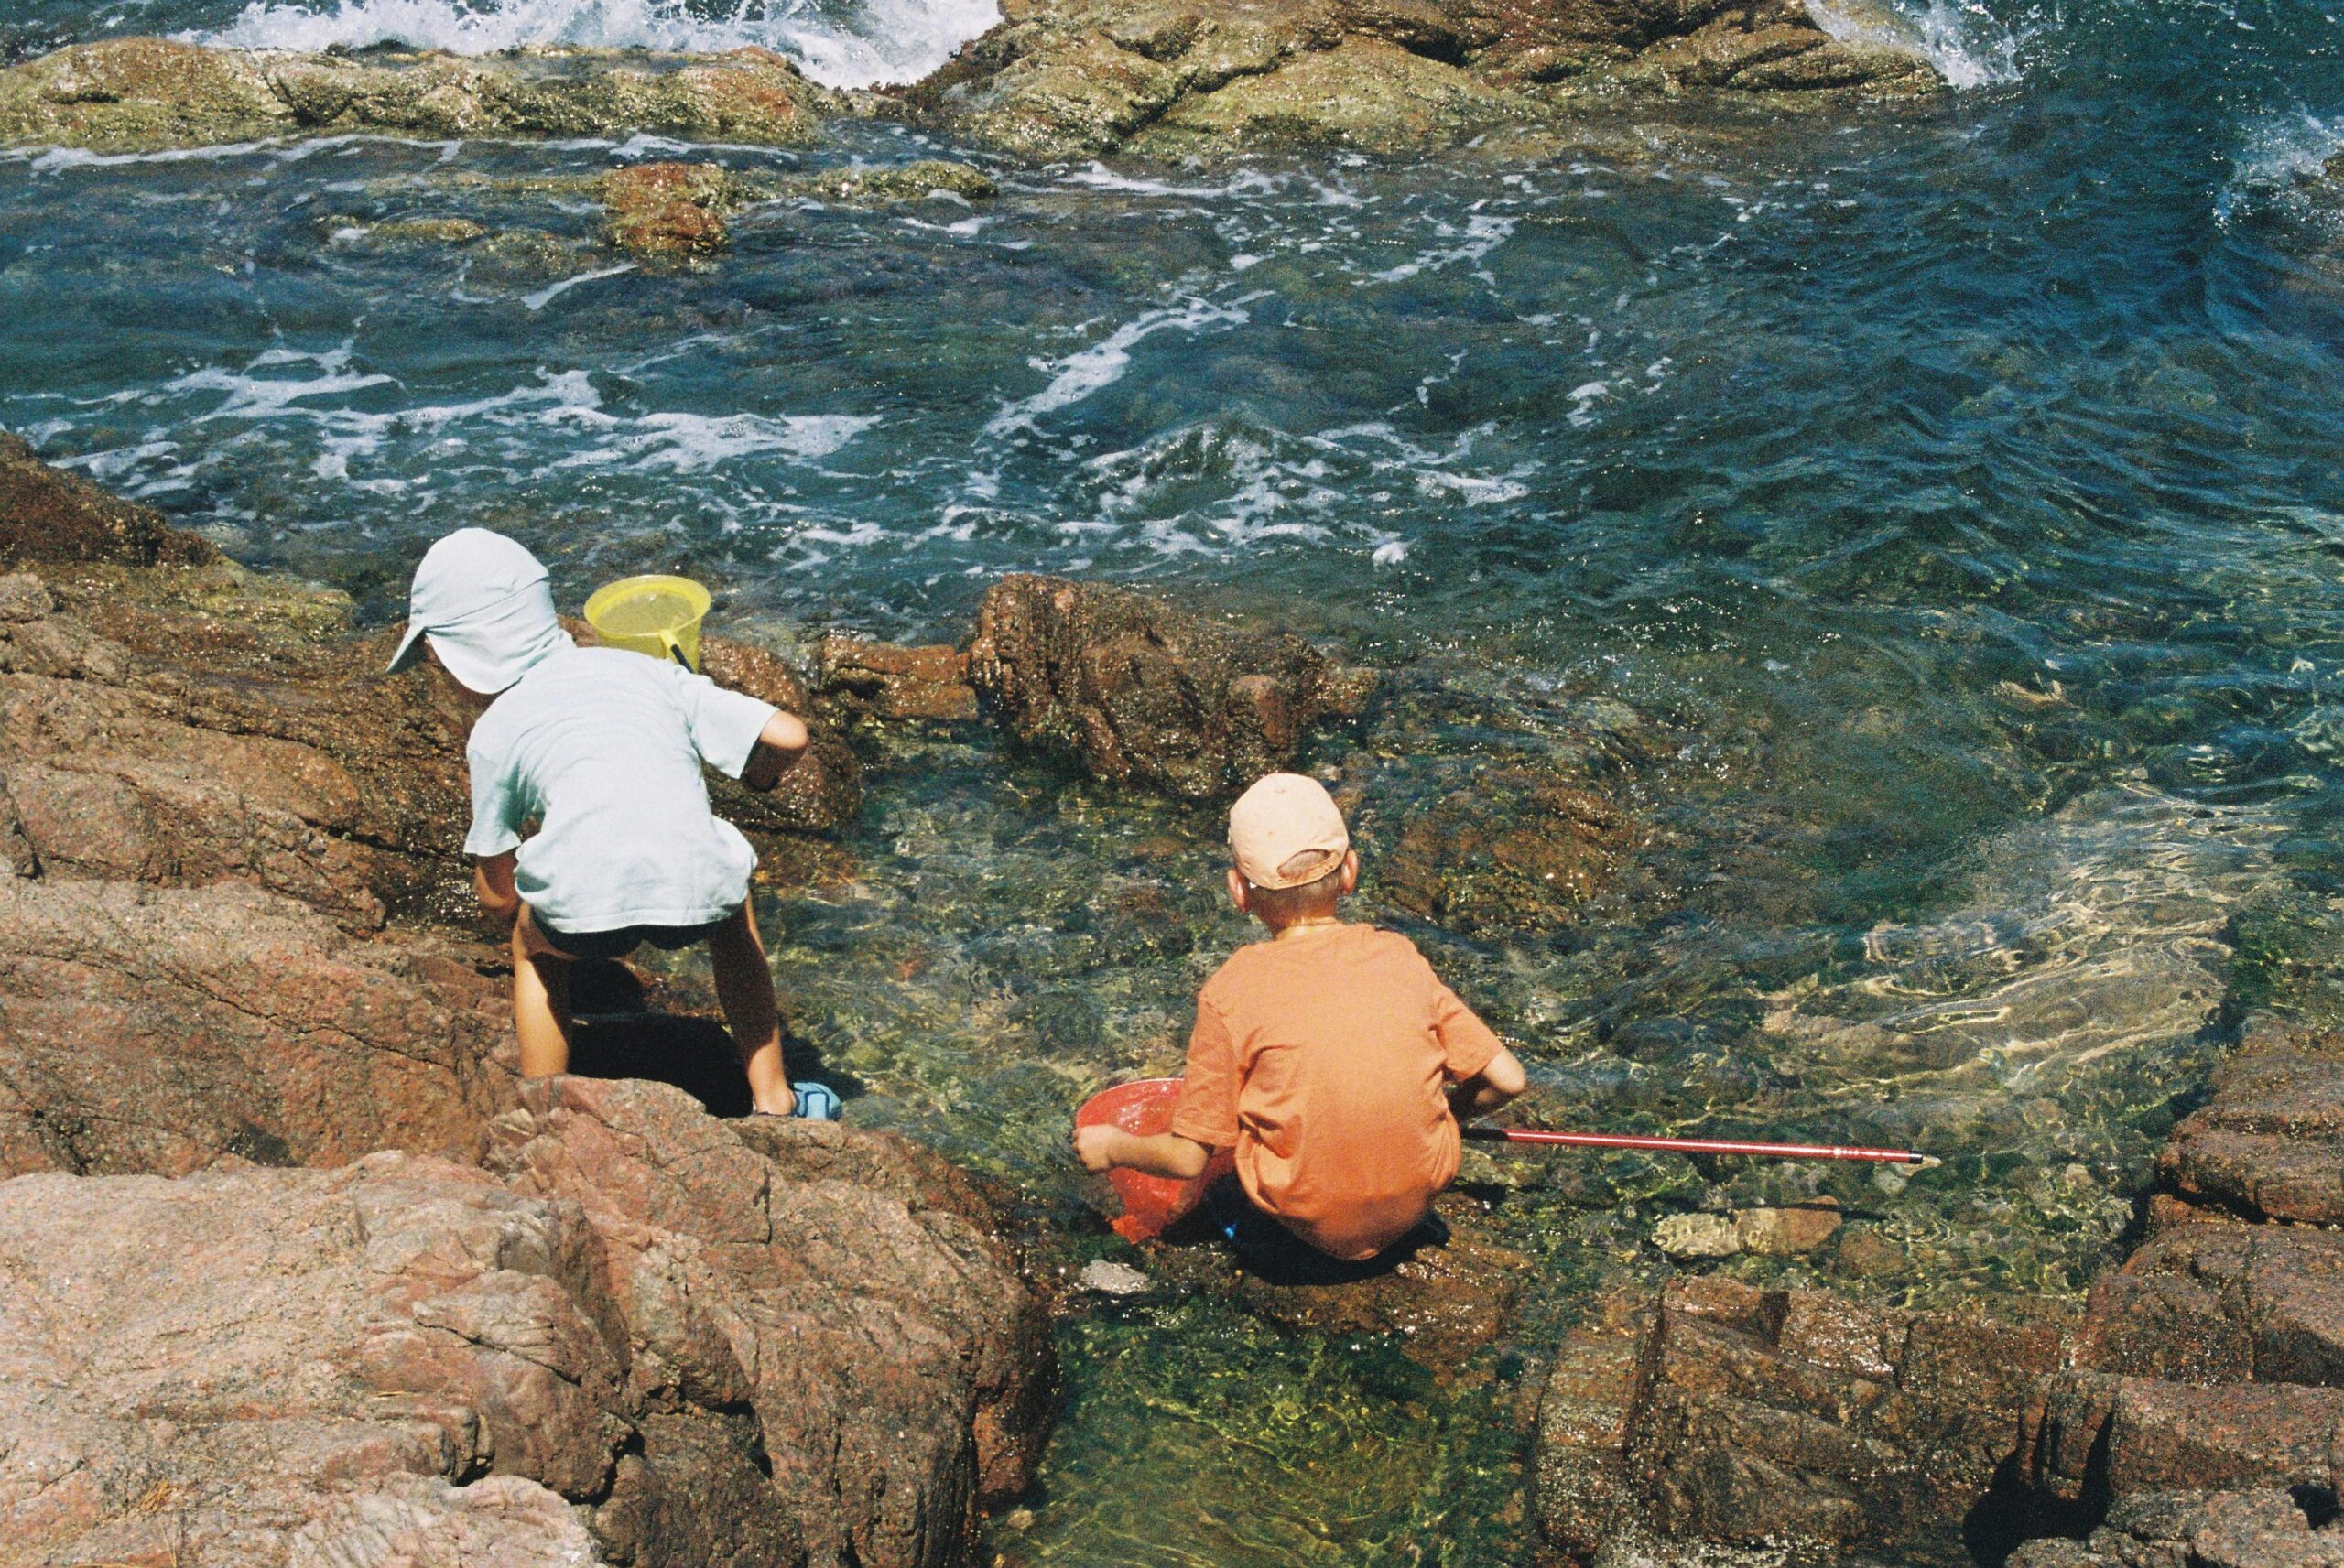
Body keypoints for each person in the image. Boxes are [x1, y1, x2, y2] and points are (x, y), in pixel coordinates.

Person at [388, 527, 817, 1117]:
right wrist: (762, 777)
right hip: (695, 892)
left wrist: (526, 897)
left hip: (582, 919)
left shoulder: (495, 731)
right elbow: (790, 735)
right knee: (732, 913)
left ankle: (545, 1110)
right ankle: (773, 1096)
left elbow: (496, 894)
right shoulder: (647, 671)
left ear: (466, 654)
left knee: (532, 947)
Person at [1073, 773, 1526, 1266]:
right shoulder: (1401, 957)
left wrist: (1113, 1147)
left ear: (1238, 892)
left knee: (1223, 1179)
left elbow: (1187, 1159)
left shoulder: (1231, 990)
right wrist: (1446, 1117)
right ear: (1350, 871)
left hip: (1305, 1224)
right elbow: (1507, 1079)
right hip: (1414, 1209)